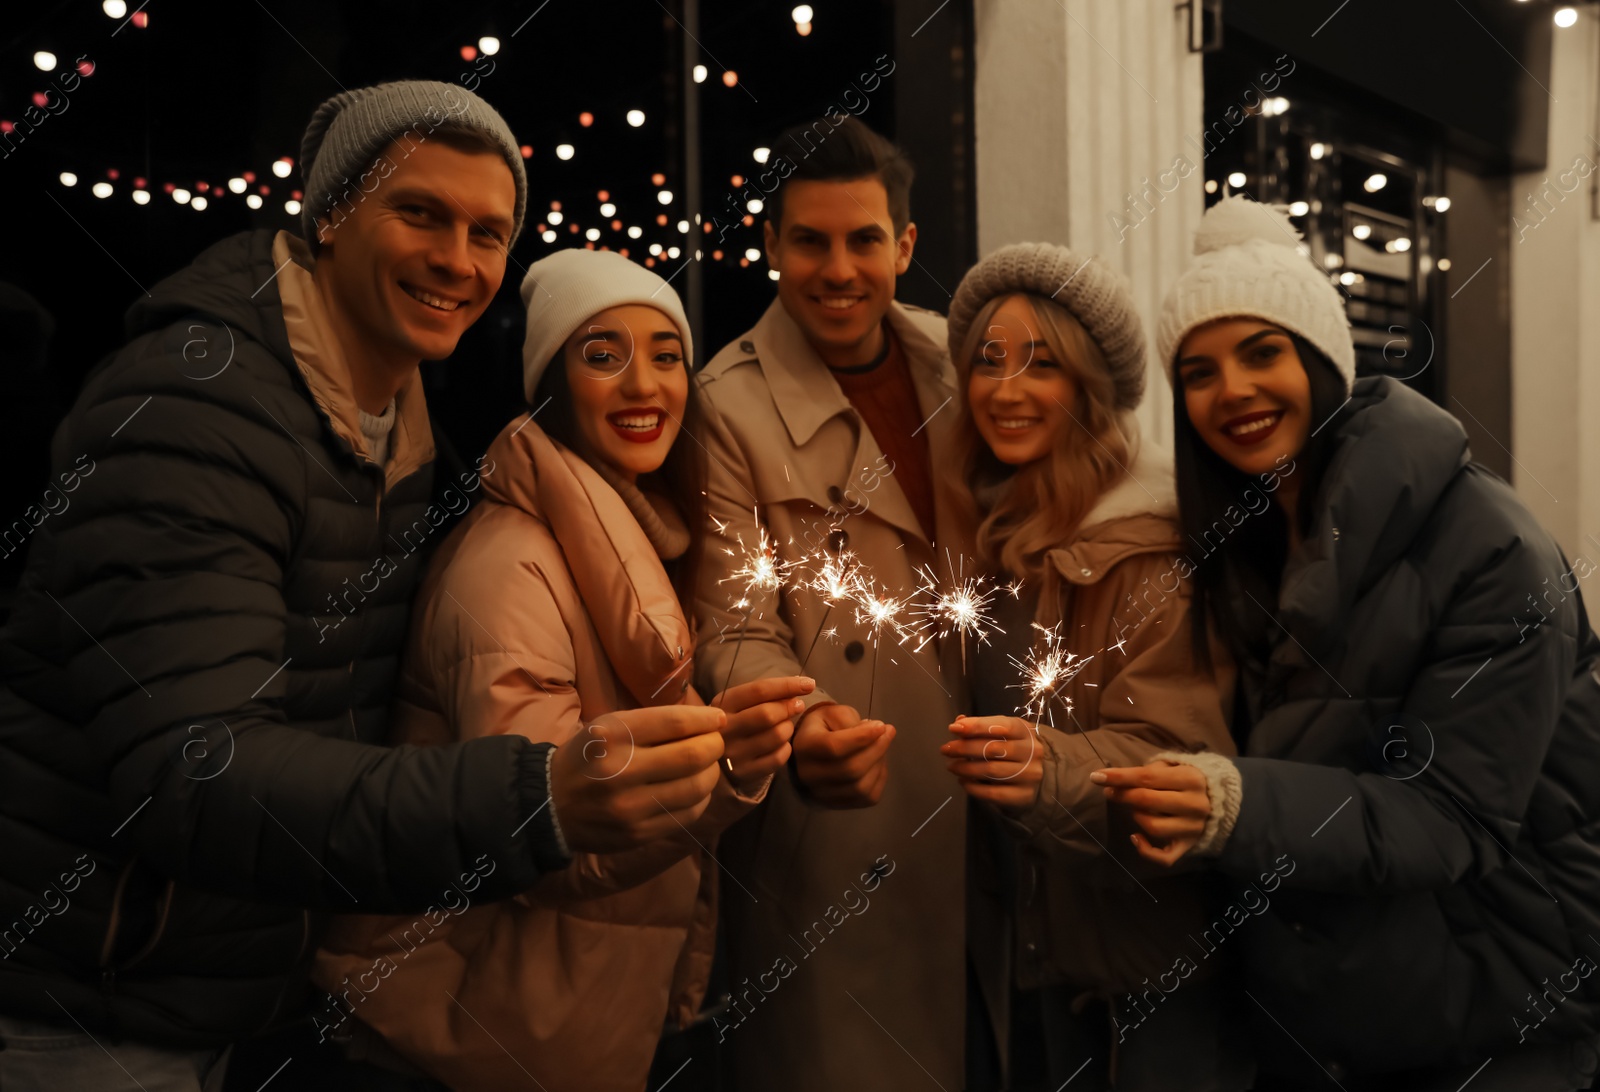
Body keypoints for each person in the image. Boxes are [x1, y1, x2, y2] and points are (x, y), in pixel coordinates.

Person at [0, 81, 730, 1092]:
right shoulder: (193, 409)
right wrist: (534, 798)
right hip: (100, 1001)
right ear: (329, 216)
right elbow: (194, 773)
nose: (456, 259)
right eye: (419, 212)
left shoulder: (390, 428)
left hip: (238, 983)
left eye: (487, 231)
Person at [1095, 196, 1600, 1089]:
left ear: (1323, 360)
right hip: (1338, 1021)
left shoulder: (1490, 548)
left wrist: (1232, 804)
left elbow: (1453, 817)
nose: (1234, 393)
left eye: (1263, 353)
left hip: (1498, 1019)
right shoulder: (1246, 545)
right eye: (1200, 372)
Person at [312, 249, 812, 1092]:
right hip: (467, 1036)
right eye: (602, 354)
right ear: (549, 380)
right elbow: (548, 836)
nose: (643, 386)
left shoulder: (642, 540)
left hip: (554, 1026)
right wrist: (724, 768)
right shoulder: (510, 568)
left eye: (665, 356)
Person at [692, 116, 968, 1088]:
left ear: (904, 246)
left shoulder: (957, 364)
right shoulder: (727, 401)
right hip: (850, 825)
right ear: (771, 247)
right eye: (808, 240)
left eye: (862, 241)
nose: (836, 268)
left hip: (989, 799)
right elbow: (733, 622)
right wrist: (805, 723)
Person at [940, 243, 1249, 1091]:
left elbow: (1177, 758)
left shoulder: (1149, 550)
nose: (1005, 389)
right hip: (1044, 956)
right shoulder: (1001, 534)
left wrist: (1047, 768)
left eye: (1041, 364)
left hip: (1146, 981)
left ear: (1091, 386)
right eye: (987, 362)